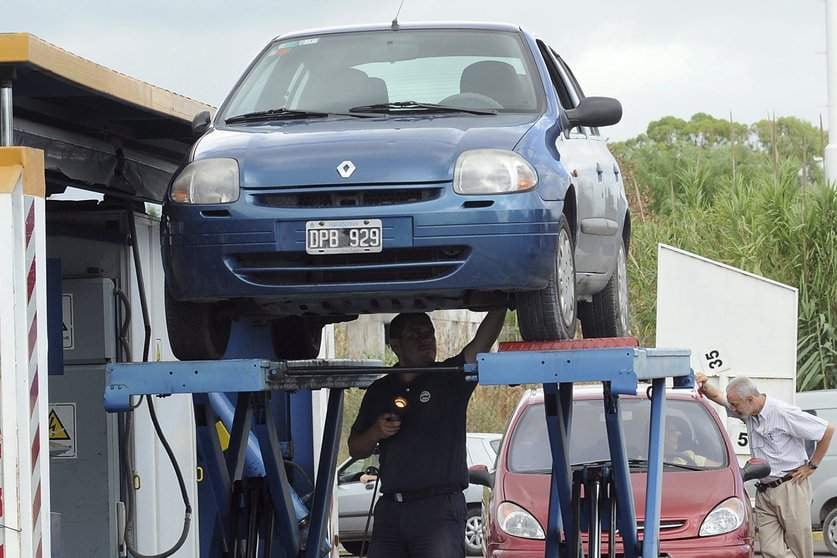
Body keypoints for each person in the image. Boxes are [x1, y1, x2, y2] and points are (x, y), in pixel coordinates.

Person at [348, 309, 507, 558]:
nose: (425, 340)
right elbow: (355, 448)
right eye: (415, 335)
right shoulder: (380, 390)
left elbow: (481, 343)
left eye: (429, 333)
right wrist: (376, 431)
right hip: (391, 509)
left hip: (438, 510)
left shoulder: (449, 378)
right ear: (395, 345)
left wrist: (503, 302)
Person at [696, 372, 834, 558]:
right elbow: (719, 397)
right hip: (764, 490)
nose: (733, 410)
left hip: (789, 487)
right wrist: (704, 384)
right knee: (770, 550)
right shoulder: (748, 412)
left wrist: (812, 465)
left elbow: (827, 430)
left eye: (736, 405)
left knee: (800, 547)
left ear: (750, 399)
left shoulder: (782, 412)